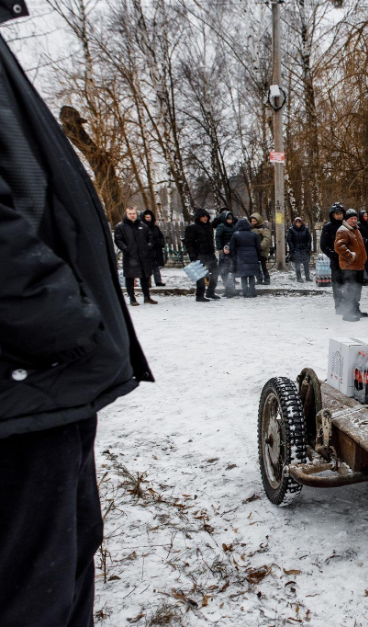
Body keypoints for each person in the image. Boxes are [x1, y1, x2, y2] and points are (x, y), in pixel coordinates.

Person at [1, 10, 153, 623]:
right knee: (36, 595)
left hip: (43, 388)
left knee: (62, 575)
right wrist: (69, 318)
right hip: (27, 383)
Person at [113, 206, 157, 305]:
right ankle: (132, 299)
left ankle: (147, 297)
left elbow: (150, 237)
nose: (132, 215)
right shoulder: (120, 226)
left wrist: (148, 246)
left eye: (134, 213)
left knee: (145, 277)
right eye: (130, 213)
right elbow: (118, 240)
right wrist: (126, 249)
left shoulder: (143, 225)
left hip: (143, 256)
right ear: (126, 214)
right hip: (130, 256)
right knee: (130, 277)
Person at [334, 209, 368, 321]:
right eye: (351, 219)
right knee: (350, 289)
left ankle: (355, 310)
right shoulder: (343, 230)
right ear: (346, 220)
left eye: (355, 218)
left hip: (358, 266)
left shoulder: (355, 230)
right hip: (349, 267)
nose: (354, 220)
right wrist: (351, 256)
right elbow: (339, 246)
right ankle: (347, 313)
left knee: (357, 289)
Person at [183, 208, 221, 302]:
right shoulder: (192, 228)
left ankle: (210, 292)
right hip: (199, 254)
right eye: (202, 217)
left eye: (206, 217)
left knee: (215, 273)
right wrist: (192, 255)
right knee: (200, 276)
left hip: (210, 254)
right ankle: (199, 295)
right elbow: (189, 243)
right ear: (198, 218)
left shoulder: (209, 227)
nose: (205, 218)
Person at [227, 217, 262, 297]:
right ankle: (252, 291)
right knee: (251, 275)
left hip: (241, 257)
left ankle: (245, 291)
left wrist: (233, 257)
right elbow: (258, 247)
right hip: (252, 256)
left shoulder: (236, 235)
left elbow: (232, 247)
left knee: (244, 275)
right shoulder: (253, 234)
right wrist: (258, 257)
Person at [320, 203, 346, 312]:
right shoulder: (328, 227)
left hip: (347, 258)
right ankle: (339, 306)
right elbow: (323, 245)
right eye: (336, 214)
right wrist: (333, 254)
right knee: (337, 283)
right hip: (335, 260)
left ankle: (348, 304)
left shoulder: (346, 225)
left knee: (348, 281)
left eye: (340, 213)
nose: (339, 216)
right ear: (332, 214)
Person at [215, 209, 238, 297]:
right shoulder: (221, 226)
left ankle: (232, 289)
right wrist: (220, 248)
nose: (230, 221)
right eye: (228, 219)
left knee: (232, 270)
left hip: (232, 250)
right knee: (224, 270)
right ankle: (228, 289)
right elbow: (218, 238)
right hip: (224, 250)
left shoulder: (233, 226)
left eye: (231, 219)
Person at [141, 209, 167, 286]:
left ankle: (158, 281)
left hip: (156, 250)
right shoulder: (142, 228)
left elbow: (160, 236)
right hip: (147, 250)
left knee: (156, 267)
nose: (149, 219)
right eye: (147, 217)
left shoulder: (155, 227)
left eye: (150, 217)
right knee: (147, 267)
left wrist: (160, 243)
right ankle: (148, 282)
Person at [287, 216, 313, 282]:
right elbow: (289, 239)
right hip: (296, 249)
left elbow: (309, 239)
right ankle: (299, 277)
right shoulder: (291, 230)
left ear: (301, 223)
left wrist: (308, 247)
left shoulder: (305, 229)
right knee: (297, 264)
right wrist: (292, 248)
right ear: (294, 223)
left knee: (306, 263)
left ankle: (307, 277)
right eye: (297, 223)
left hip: (304, 249)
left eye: (299, 222)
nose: (298, 224)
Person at [249, 212, 271, 285]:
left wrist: (260, 247)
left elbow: (267, 239)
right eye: (252, 221)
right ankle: (259, 279)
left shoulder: (264, 229)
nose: (253, 223)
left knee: (263, 265)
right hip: (255, 250)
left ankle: (267, 278)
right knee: (256, 266)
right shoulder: (251, 229)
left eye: (254, 221)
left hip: (262, 250)